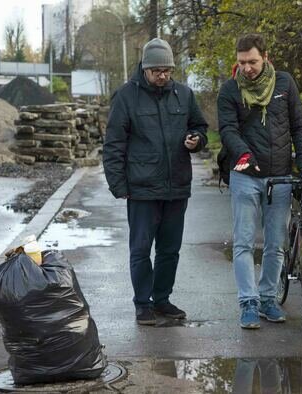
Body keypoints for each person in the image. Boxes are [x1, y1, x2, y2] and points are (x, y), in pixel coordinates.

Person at [103, 38, 208, 325]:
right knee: (140, 250)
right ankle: (142, 304)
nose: (163, 75)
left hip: (177, 186)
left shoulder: (184, 95)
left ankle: (162, 300)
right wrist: (118, 185)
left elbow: (200, 127)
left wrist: (196, 141)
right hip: (141, 189)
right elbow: (113, 144)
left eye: (167, 70)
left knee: (169, 249)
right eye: (157, 71)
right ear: (145, 69)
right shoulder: (126, 97)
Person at [217, 33, 302, 329]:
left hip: (281, 175)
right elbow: (228, 130)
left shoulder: (284, 84)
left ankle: (268, 298)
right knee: (244, 242)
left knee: (276, 243)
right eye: (242, 62)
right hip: (245, 174)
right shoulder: (230, 91)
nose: (247, 68)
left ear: (266, 58)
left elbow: (299, 126)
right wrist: (244, 152)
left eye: (253, 61)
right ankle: (248, 302)